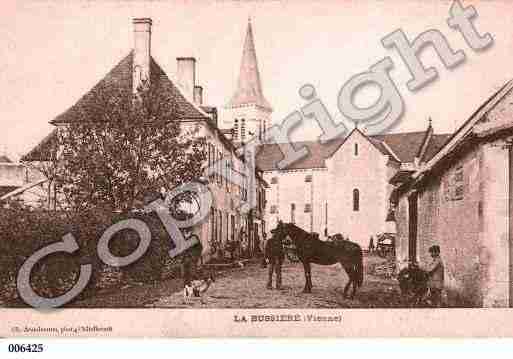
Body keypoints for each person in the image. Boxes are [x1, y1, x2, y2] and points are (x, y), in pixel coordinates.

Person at [265, 224, 285, 290]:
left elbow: (282, 251)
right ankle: (269, 285)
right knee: (270, 273)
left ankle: (278, 285)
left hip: (277, 259)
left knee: (278, 273)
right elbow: (266, 250)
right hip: (271, 258)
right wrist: (266, 258)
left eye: (275, 233)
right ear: (272, 234)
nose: (274, 235)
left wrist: (282, 259)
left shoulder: (279, 242)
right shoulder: (269, 241)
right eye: (273, 233)